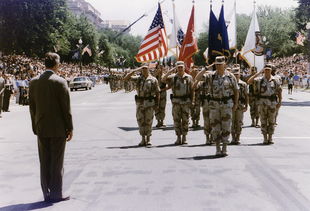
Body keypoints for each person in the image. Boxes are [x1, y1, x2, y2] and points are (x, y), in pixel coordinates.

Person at [29, 52, 73, 203]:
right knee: (57, 161)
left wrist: (35, 126)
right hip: (58, 128)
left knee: (44, 161)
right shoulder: (60, 81)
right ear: (56, 64)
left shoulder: (34, 82)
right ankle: (56, 193)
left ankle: (45, 193)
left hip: (41, 126)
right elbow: (66, 108)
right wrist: (70, 127)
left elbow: (32, 108)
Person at [206, 56, 239, 156]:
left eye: (220, 64)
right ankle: (217, 147)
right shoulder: (211, 76)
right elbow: (197, 78)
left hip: (226, 104)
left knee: (226, 126)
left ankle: (224, 147)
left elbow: (236, 91)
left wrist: (236, 103)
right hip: (214, 105)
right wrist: (206, 68)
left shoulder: (230, 76)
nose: (218, 66)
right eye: (217, 64)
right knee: (215, 127)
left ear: (225, 64)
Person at [123, 64, 160, 146]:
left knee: (149, 121)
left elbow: (157, 93)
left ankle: (148, 139)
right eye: (142, 69)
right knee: (140, 121)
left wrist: (157, 104)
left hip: (150, 103)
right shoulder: (138, 79)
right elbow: (126, 79)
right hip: (140, 103)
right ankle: (143, 139)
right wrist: (134, 71)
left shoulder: (153, 80)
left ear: (148, 69)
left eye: (145, 68)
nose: (144, 70)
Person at [248, 63, 282, 144]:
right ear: (264, 70)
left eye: (268, 70)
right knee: (263, 121)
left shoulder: (275, 80)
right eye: (265, 69)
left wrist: (280, 102)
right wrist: (259, 73)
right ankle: (264, 138)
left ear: (271, 71)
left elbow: (279, 92)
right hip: (262, 103)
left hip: (272, 103)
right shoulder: (259, 80)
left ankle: (270, 137)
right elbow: (249, 81)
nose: (267, 71)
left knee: (271, 121)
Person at [163, 61, 193, 145]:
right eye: (178, 67)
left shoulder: (189, 77)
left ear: (184, 68)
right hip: (176, 102)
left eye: (181, 67)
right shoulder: (173, 77)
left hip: (186, 101)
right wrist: (170, 71)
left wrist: (192, 101)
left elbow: (192, 90)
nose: (180, 69)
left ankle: (184, 137)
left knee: (185, 120)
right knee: (176, 120)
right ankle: (178, 137)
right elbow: (163, 79)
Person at [193, 64, 214, 145]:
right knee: (206, 121)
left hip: (214, 103)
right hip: (206, 103)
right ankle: (207, 137)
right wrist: (198, 79)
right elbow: (194, 86)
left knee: (214, 121)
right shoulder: (202, 83)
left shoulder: (215, 80)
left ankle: (213, 137)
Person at [231, 67, 248, 145]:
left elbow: (246, 95)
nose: (236, 76)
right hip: (231, 105)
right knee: (231, 122)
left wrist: (246, 105)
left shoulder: (243, 84)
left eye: (237, 74)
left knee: (239, 122)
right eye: (234, 74)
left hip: (240, 105)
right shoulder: (229, 83)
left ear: (240, 75)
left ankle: (237, 137)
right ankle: (233, 137)